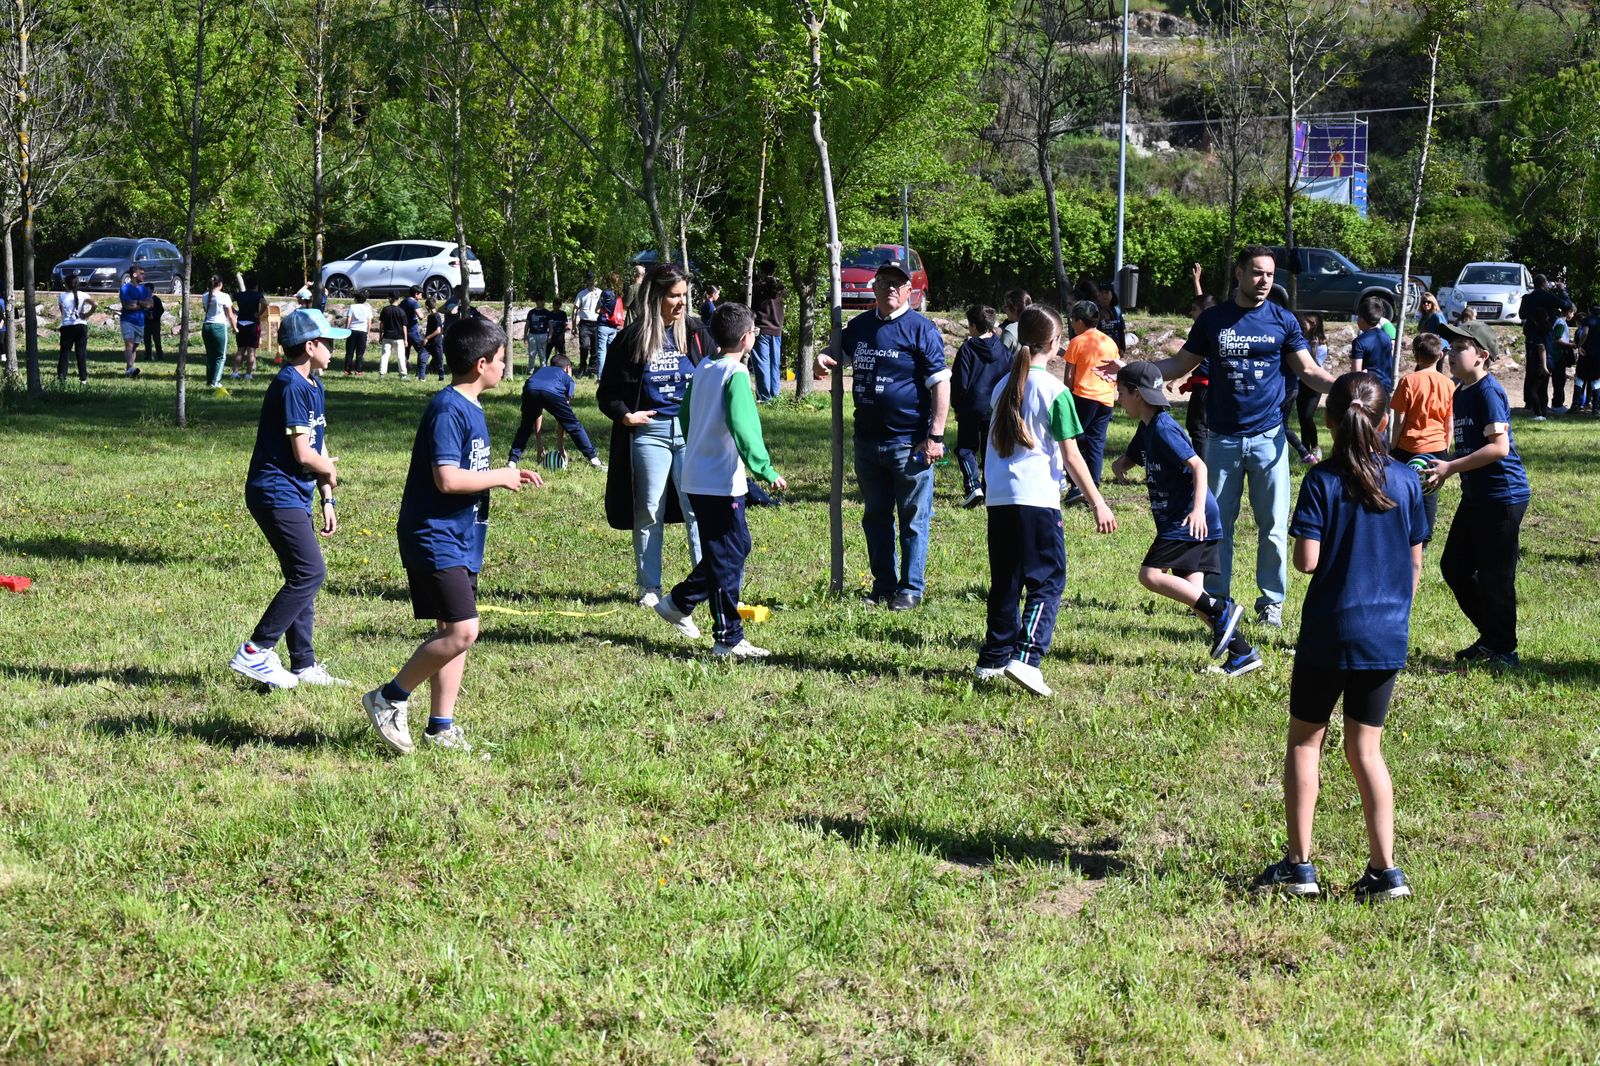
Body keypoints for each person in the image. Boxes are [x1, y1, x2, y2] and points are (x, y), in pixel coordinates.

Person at [1255, 371, 1425, 902]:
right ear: (1384, 419)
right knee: (1366, 751)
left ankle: (1300, 867)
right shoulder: (1406, 480)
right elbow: (1415, 564)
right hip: (1385, 635)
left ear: (1328, 420)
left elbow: (1306, 561)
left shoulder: (1322, 481)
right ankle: (1385, 871)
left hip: (1330, 632)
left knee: (1307, 741)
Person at [362, 316, 543, 755]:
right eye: (502, 361)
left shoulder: (471, 407)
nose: (506, 369)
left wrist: (501, 473)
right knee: (463, 631)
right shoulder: (448, 409)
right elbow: (446, 479)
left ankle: (440, 726)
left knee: (452, 630)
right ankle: (389, 697)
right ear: (482, 364)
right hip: (434, 534)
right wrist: (499, 476)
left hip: (462, 535)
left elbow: (467, 471)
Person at [1151, 246, 1337, 628]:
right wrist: (1134, 370)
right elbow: (1179, 364)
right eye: (1256, 273)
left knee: (1272, 525)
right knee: (1220, 527)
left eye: (1269, 274)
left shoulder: (1283, 321)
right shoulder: (1213, 320)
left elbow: (1308, 371)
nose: (1264, 281)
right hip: (1221, 440)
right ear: (1238, 274)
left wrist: (1347, 386)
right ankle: (1218, 601)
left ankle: (1271, 602)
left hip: (1269, 439)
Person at [974, 304, 1115, 697]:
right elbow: (1072, 456)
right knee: (1048, 581)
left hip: (1000, 499)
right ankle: (1027, 657)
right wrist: (1098, 502)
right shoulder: (1055, 391)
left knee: (1006, 580)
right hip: (1037, 499)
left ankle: (993, 658)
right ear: (1055, 343)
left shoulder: (1004, 385)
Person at [652, 302, 788, 658]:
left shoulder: (704, 369)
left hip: (697, 476)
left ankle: (679, 602)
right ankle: (727, 638)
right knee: (727, 557)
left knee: (734, 547)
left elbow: (684, 416)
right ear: (747, 339)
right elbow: (745, 429)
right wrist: (766, 470)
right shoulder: (736, 375)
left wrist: (700, 444)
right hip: (719, 482)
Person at [816, 256, 951, 611]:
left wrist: (935, 436)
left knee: (912, 520)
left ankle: (910, 588)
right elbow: (837, 353)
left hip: (910, 443)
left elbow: (940, 383)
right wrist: (823, 356)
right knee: (875, 517)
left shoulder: (921, 329)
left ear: (909, 290)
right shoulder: (859, 326)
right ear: (872, 287)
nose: (890, 288)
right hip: (867, 442)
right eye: (884, 282)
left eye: (897, 283)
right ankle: (883, 586)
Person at [1112, 361, 1261, 678]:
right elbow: (1134, 454)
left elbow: (1199, 467)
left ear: (1138, 394)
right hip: (1186, 518)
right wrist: (1120, 465)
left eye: (1121, 392)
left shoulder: (1164, 428)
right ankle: (1242, 653)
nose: (1118, 398)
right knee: (1196, 597)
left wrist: (1195, 511)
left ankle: (1223, 609)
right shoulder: (1148, 426)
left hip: (1189, 518)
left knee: (1150, 575)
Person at [228, 309, 350, 691]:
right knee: (310, 572)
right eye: (328, 342)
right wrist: (328, 472)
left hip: (296, 492)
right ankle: (255, 651)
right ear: (310, 346)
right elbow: (303, 454)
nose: (333, 348)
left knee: (302, 575)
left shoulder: (313, 384)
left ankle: (304, 665)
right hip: (274, 492)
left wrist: (327, 497)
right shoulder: (290, 386)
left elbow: (318, 442)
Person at [597, 263, 711, 607]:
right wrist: (625, 415)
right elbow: (607, 393)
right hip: (650, 434)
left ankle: (707, 581)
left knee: (698, 509)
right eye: (674, 296)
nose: (681, 303)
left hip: (691, 433)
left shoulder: (695, 332)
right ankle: (649, 587)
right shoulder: (630, 338)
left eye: (684, 296)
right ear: (656, 296)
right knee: (649, 510)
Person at [1423, 321, 1529, 669]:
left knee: (1496, 576)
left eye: (1458, 348)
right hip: (1477, 495)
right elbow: (1473, 446)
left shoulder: (1488, 391)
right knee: (1454, 566)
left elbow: (1498, 449)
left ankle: (1505, 650)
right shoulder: (1462, 390)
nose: (1449, 353)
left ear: (1482, 355)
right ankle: (1493, 637)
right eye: (1449, 347)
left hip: (1503, 496)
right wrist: (1445, 464)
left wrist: (1451, 468)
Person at [1389, 333, 1455, 545]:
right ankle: (1424, 537)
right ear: (1440, 355)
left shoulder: (1408, 381)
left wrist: (1393, 445)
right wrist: (1445, 446)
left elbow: (1399, 419)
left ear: (1415, 355)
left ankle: (1401, 530)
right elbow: (1449, 422)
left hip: (1408, 445)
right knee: (1429, 492)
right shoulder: (1449, 384)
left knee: (1400, 490)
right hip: (1437, 446)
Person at [1060, 298, 1122, 504]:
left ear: (1079, 321)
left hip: (1083, 397)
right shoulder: (1109, 342)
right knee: (1096, 444)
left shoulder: (1077, 342)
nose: (1071, 324)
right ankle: (1093, 487)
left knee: (1075, 442)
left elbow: (1069, 377)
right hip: (1105, 400)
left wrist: (1066, 398)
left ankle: (1076, 486)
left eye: (1072, 320)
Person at [950, 303, 1009, 509]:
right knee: (989, 450)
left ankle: (973, 487)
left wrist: (956, 405)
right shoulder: (1002, 349)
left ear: (973, 326)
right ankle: (989, 487)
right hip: (995, 408)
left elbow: (959, 381)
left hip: (971, 407)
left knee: (966, 448)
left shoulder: (967, 349)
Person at [507, 353, 605, 469]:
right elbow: (563, 419)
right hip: (551, 392)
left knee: (525, 426)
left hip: (530, 388)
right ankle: (594, 460)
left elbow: (537, 413)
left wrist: (539, 446)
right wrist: (560, 446)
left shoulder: (542, 371)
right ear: (568, 368)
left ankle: (512, 462)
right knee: (574, 425)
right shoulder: (568, 379)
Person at [1294, 313, 1328, 462]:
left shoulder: (1321, 345)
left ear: (1313, 325)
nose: (1302, 324)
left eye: (1305, 322)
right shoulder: (1299, 340)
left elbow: (1315, 367)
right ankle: (1305, 452)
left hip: (1314, 385)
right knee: (1302, 418)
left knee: (1308, 416)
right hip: (1300, 383)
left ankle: (1315, 447)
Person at [752, 258, 786, 402]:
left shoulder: (757, 288)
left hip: (761, 328)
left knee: (762, 363)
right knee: (774, 363)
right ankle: (775, 393)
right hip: (777, 328)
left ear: (761, 271)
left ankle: (764, 397)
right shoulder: (781, 288)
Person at [1350, 295, 1395, 394]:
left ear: (1362, 318)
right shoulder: (1386, 337)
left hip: (1368, 389)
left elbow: (1356, 373)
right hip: (1386, 387)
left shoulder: (1359, 342)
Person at [201, 275, 236, 389]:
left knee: (210, 356)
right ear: (220, 284)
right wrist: (235, 328)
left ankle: (209, 381)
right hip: (219, 326)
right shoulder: (224, 296)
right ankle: (215, 382)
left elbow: (206, 310)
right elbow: (230, 316)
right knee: (220, 356)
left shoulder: (204, 296)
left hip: (206, 326)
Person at [119, 265, 152, 378]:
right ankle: (130, 368)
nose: (144, 275)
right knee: (129, 343)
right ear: (134, 274)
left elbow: (150, 304)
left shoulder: (145, 289)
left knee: (134, 346)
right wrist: (142, 304)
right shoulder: (125, 289)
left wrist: (137, 302)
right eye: (141, 273)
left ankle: (130, 370)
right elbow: (127, 306)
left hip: (140, 321)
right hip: (127, 320)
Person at [57, 275, 89, 384]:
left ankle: (62, 377)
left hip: (67, 326)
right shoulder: (83, 295)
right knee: (81, 353)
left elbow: (62, 312)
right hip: (81, 325)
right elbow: (95, 304)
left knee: (65, 353)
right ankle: (83, 378)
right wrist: (86, 314)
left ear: (66, 284)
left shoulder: (62, 296)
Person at [233, 279, 266, 379]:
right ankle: (248, 374)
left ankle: (235, 373)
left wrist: (235, 311)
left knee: (240, 350)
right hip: (252, 324)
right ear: (256, 286)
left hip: (240, 323)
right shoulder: (258, 295)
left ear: (246, 286)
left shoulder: (239, 295)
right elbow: (265, 303)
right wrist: (259, 314)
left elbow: (228, 302)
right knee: (251, 351)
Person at [595, 272, 624, 380]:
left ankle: (601, 376)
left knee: (602, 351)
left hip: (603, 325)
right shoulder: (619, 294)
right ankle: (612, 374)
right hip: (614, 325)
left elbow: (597, 309)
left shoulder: (606, 293)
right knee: (612, 351)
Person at [1550, 305, 1578, 413]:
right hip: (1558, 356)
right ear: (1569, 312)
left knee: (1559, 380)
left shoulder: (1560, 322)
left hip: (1558, 355)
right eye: (1573, 313)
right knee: (1559, 380)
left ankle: (1557, 403)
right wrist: (1571, 345)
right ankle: (1557, 405)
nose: (1573, 315)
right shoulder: (1561, 323)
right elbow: (1557, 339)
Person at [574, 273, 601, 376]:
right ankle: (582, 367)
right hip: (584, 324)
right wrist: (573, 326)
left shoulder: (600, 293)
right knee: (584, 346)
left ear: (596, 281)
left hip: (596, 323)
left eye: (593, 280)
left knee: (595, 348)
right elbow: (575, 310)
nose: (591, 282)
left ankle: (592, 369)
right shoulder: (581, 294)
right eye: (589, 280)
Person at [1575, 303, 1600, 415]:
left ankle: (1576, 405)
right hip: (1597, 355)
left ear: (1589, 310)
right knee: (1596, 381)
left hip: (1586, 354)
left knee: (1580, 379)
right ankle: (1596, 408)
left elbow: (1585, 333)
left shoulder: (1587, 321)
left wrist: (1579, 346)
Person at [377, 293, 409, 378]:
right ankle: (403, 374)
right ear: (398, 299)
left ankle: (382, 373)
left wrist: (380, 336)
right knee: (400, 356)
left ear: (390, 299)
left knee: (385, 355)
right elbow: (404, 326)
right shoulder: (401, 311)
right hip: (399, 337)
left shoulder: (385, 310)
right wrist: (406, 339)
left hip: (387, 336)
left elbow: (381, 324)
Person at [343, 290, 372, 375]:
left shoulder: (352, 307)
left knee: (349, 351)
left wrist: (346, 329)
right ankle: (358, 370)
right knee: (360, 352)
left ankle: (347, 369)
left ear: (356, 298)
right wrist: (368, 333)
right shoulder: (367, 308)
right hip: (362, 331)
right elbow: (369, 322)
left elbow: (348, 319)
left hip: (352, 330)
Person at [420, 298, 446, 381]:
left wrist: (427, 338)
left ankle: (441, 377)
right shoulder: (430, 316)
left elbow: (438, 330)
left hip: (436, 342)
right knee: (422, 358)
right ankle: (421, 377)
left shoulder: (436, 316)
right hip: (428, 342)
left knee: (439, 360)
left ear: (427, 307)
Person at [1000, 288, 1032, 355]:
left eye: (1005, 307)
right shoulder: (1037, 325)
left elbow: (1000, 359)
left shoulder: (1009, 331)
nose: (1004, 310)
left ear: (1014, 309)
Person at [401, 286, 425, 371]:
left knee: (405, 351)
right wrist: (423, 314)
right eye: (421, 294)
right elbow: (421, 316)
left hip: (404, 331)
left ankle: (404, 367)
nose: (421, 297)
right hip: (413, 331)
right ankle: (421, 368)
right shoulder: (414, 303)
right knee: (422, 350)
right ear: (416, 294)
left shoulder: (403, 302)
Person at [525, 298, 552, 369]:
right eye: (541, 301)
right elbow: (527, 324)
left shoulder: (547, 312)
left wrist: (550, 336)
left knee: (542, 354)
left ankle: (543, 370)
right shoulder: (531, 312)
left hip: (543, 335)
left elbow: (550, 325)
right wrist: (525, 335)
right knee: (532, 354)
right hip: (532, 335)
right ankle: (530, 370)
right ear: (537, 302)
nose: (543, 302)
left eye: (544, 301)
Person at [143, 292, 165, 364]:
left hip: (155, 323)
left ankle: (160, 356)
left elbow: (161, 310)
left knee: (157, 340)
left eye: (147, 290)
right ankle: (148, 356)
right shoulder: (143, 299)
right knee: (147, 340)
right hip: (146, 323)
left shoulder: (156, 299)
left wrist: (154, 315)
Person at [547, 297, 570, 363]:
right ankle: (544, 365)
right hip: (551, 336)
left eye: (557, 305)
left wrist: (563, 332)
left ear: (560, 305)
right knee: (547, 352)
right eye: (554, 304)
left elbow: (565, 324)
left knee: (562, 353)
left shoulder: (563, 314)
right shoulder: (549, 314)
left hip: (560, 336)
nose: (555, 306)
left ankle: (565, 365)